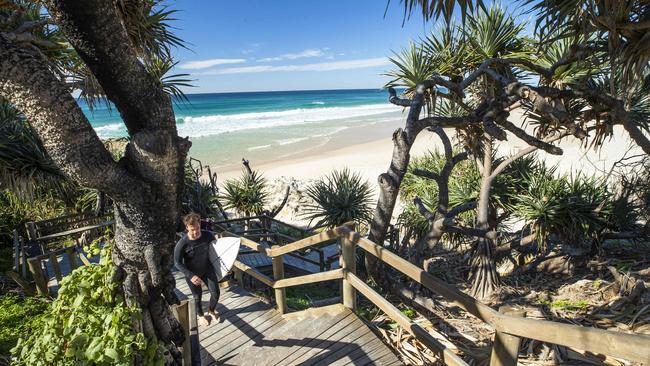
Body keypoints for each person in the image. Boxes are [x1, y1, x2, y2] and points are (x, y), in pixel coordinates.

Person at [174, 212, 220, 326]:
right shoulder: (182, 243)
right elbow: (177, 263)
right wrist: (191, 276)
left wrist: (226, 267)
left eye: (197, 228)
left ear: (200, 224)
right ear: (187, 228)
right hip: (192, 273)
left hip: (207, 268)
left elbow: (217, 251)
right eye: (192, 229)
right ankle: (200, 316)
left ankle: (211, 310)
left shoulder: (208, 235)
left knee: (216, 293)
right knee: (197, 297)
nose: (195, 232)